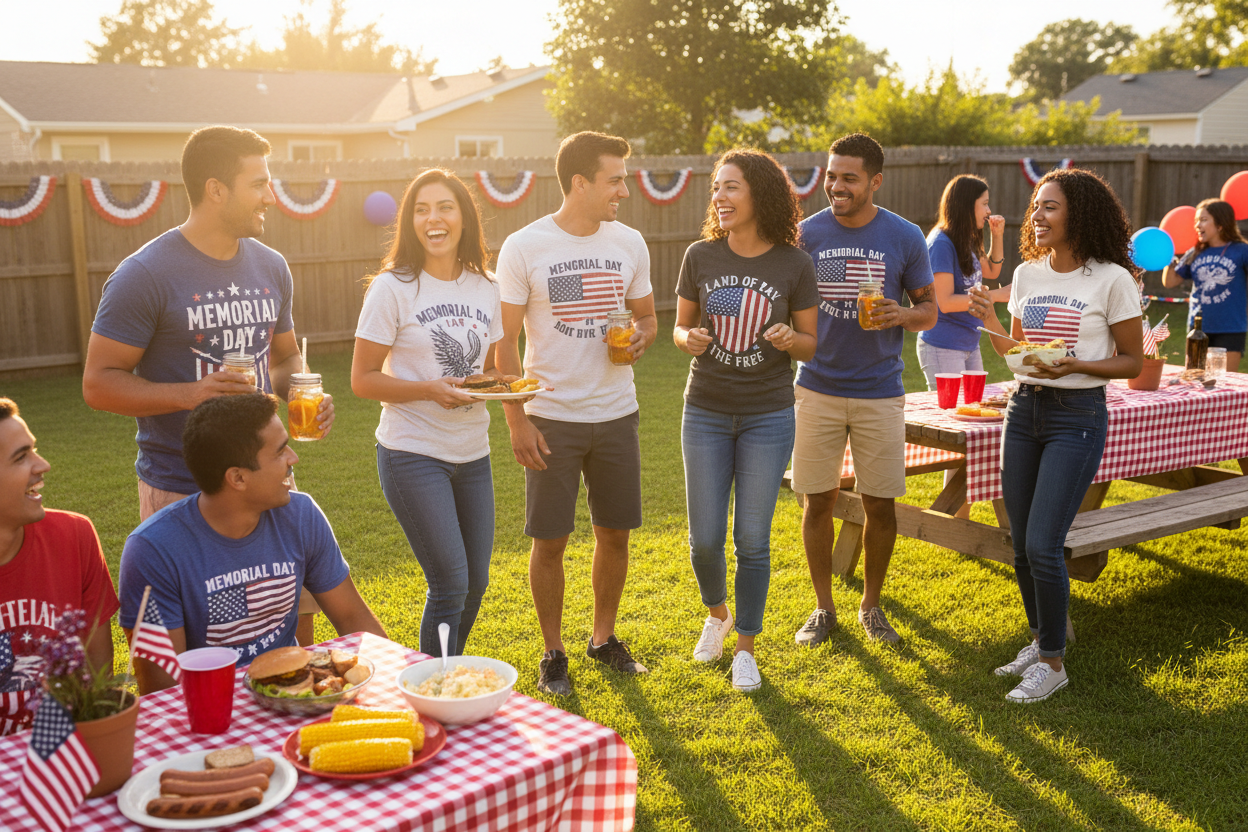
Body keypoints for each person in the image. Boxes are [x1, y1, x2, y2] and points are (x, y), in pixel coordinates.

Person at [83, 125, 334, 646]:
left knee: (288, 635)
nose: (271, 194)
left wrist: (303, 393)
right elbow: (98, 383)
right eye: (258, 183)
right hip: (179, 481)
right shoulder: (145, 274)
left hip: (265, 476)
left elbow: (285, 358)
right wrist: (190, 393)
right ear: (216, 189)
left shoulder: (271, 266)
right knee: (197, 650)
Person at [969, 168, 1143, 703]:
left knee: (1045, 543)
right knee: (1021, 545)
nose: (1037, 216)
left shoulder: (1111, 278)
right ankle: (1040, 638)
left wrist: (1077, 366)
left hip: (1078, 416)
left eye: (1050, 207)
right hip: (1023, 413)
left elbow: (1134, 361)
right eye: (1036, 206)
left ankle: (1053, 663)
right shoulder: (1026, 275)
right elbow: (1016, 356)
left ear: (1080, 214)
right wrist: (992, 320)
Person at [495, 131, 658, 696]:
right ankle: (553, 652)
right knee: (551, 539)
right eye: (615, 180)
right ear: (580, 182)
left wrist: (640, 338)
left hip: (617, 413)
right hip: (551, 418)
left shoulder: (629, 242)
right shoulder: (524, 246)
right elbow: (504, 343)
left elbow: (647, 319)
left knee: (615, 534)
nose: (624, 191)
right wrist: (517, 419)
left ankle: (603, 638)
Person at [118, 393, 386, 695]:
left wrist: (394, 681)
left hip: (293, 693)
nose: (293, 459)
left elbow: (352, 617)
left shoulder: (301, 515)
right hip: (211, 706)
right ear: (238, 478)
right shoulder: (153, 550)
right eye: (280, 451)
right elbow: (164, 687)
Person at [673, 149, 819, 691]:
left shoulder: (793, 264)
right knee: (705, 539)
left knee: (752, 538)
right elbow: (680, 328)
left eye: (731, 187)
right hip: (705, 410)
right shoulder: (700, 255)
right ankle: (717, 614)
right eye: (716, 187)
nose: (719, 197)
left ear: (759, 193)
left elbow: (810, 344)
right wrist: (687, 338)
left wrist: (790, 339)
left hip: (769, 414)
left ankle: (746, 648)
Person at [791, 133, 937, 648]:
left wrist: (903, 313)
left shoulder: (903, 236)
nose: (836, 186)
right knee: (818, 501)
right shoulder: (804, 235)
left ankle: (871, 607)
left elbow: (930, 309)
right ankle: (823, 608)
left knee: (881, 505)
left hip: (880, 390)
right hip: (817, 387)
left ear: (875, 181)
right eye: (831, 175)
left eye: (849, 178)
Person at [351, 169, 502, 658]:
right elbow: (363, 379)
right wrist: (429, 390)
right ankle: (434, 689)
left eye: (445, 207)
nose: (433, 219)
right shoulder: (392, 288)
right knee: (450, 581)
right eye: (421, 209)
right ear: (409, 222)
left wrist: (510, 387)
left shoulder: (486, 286)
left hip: (473, 453)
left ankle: (447, 674)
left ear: (464, 218)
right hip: (412, 453)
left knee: (475, 582)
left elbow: (493, 369)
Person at [0, 398, 119, 734]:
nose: (43, 465)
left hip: (67, 750)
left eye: (33, 450)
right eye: (21, 457)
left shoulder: (73, 536)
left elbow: (99, 678)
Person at [916, 174, 1010, 389]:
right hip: (943, 344)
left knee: (974, 406)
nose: (989, 210)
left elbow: (992, 270)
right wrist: (994, 296)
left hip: (969, 341)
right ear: (966, 206)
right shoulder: (941, 243)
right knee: (952, 413)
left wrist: (997, 234)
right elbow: (945, 302)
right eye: (984, 204)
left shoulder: (966, 238)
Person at [1162, 198, 1248, 372]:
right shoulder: (1195, 252)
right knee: (1195, 380)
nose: (1197, 225)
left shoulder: (1242, 250)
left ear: (1220, 224)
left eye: (1203, 220)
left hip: (1230, 329)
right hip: (1197, 328)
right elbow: (1170, 281)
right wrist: (1168, 255)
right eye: (1196, 221)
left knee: (1226, 384)